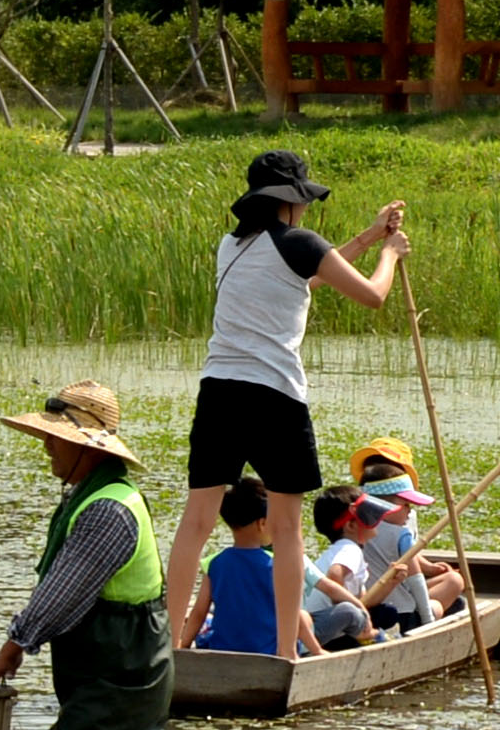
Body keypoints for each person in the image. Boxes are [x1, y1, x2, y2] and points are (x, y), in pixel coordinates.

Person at [162, 150, 408, 657]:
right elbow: (371, 297)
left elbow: (305, 279)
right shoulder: (299, 242)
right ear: (291, 201)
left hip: (219, 390)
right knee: (289, 528)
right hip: (274, 395)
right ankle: (284, 652)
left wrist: (368, 235)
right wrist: (391, 255)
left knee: (196, 520)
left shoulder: (231, 245)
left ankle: (164, 643)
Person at [0, 383, 175, 730]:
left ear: (87, 447)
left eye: (55, 437)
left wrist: (13, 648)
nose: (46, 445)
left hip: (121, 683)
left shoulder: (107, 510)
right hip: (119, 676)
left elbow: (61, 596)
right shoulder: (91, 497)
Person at [344, 444, 469, 622]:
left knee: (452, 582)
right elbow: (416, 580)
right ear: (386, 506)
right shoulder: (401, 534)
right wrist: (427, 620)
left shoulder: (356, 528)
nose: (410, 511)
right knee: (437, 606)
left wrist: (430, 568)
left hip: (366, 604)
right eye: (406, 505)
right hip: (402, 614)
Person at [187, 483, 282, 654]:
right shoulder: (275, 564)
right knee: (306, 619)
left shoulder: (216, 563)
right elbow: (292, 614)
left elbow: (199, 612)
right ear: (262, 523)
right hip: (266, 651)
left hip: (223, 649)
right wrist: (315, 649)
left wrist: (182, 644)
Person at [297, 491, 378, 651]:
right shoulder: (350, 548)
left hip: (311, 624)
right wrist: (351, 610)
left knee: (378, 612)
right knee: (350, 611)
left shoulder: (340, 549)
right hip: (311, 629)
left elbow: (363, 599)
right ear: (351, 526)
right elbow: (334, 575)